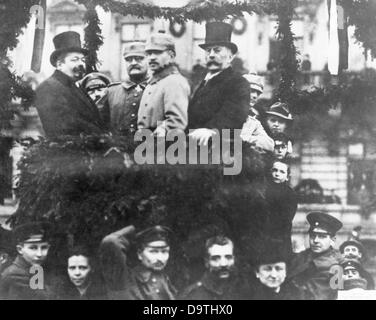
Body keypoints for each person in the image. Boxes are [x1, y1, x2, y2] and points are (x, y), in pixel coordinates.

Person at [188, 22, 250, 146]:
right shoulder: (201, 81)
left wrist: (211, 130)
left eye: (217, 50)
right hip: (194, 145)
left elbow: (234, 116)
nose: (211, 55)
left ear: (231, 56)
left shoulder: (238, 83)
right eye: (208, 51)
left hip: (219, 149)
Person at [35, 31, 105, 138]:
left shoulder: (77, 86)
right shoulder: (48, 88)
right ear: (59, 64)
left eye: (82, 60)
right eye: (75, 60)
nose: (81, 64)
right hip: (68, 151)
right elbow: (64, 127)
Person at [100, 225, 176, 300]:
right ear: (139, 254)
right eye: (153, 251)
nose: (160, 258)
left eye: (164, 251)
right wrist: (132, 228)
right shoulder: (125, 278)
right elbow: (110, 242)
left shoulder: (163, 278)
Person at [137, 31, 190, 136]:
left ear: (171, 55)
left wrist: (162, 129)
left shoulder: (174, 81)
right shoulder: (152, 82)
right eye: (148, 53)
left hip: (164, 147)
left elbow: (176, 123)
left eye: (157, 52)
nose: (152, 57)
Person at [287, 212, 344, 300]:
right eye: (313, 236)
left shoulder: (337, 264)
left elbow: (331, 295)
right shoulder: (300, 257)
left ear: (333, 240)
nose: (316, 240)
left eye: (322, 236)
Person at [180, 236, 249, 300]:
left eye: (228, 257)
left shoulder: (246, 290)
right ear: (206, 262)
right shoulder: (193, 295)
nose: (223, 264)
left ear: (234, 259)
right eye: (216, 258)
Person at [0, 222, 55, 300]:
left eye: (44, 247)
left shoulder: (35, 270)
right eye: (33, 248)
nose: (39, 254)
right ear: (20, 249)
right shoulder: (16, 275)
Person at [105, 42, 148, 136]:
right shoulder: (111, 92)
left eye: (139, 58)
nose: (133, 63)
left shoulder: (159, 89)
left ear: (149, 60)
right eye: (128, 60)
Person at [264, 161, 297, 255]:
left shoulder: (290, 194)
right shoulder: (262, 190)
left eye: (282, 172)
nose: (277, 174)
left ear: (287, 177)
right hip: (262, 236)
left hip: (280, 238)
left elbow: (286, 219)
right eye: (275, 170)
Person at [240, 74, 274, 153]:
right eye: (251, 91)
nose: (255, 96)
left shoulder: (253, 123)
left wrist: (245, 139)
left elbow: (270, 144)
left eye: (258, 93)